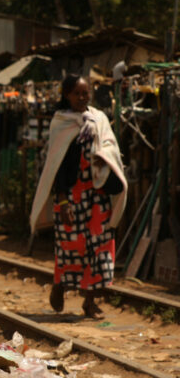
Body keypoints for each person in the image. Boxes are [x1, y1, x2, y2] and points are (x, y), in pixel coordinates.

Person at [30, 75, 126, 319]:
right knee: (71, 247)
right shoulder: (60, 123)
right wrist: (62, 201)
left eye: (86, 93)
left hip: (97, 195)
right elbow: (56, 166)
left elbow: (111, 145)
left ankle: (89, 302)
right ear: (66, 95)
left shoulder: (99, 118)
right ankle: (60, 285)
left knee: (100, 247)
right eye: (78, 93)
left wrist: (104, 155)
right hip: (71, 197)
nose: (83, 98)